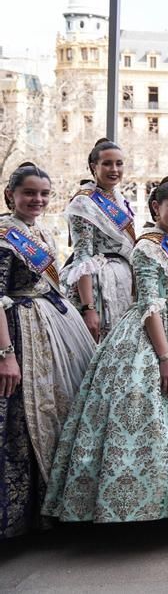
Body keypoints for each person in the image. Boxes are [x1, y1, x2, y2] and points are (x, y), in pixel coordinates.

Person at [44, 181, 168, 522]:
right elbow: (149, 305)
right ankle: (152, 504)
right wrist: (165, 357)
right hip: (159, 336)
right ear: (156, 207)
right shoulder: (146, 247)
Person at [0, 164, 94, 538]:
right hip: (20, 331)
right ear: (11, 196)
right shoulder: (5, 236)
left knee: (60, 411)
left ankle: (55, 507)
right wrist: (6, 354)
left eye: (43, 194)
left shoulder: (40, 231)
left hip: (54, 325)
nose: (37, 200)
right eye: (29, 194)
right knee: (24, 421)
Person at [61, 140, 136, 341]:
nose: (114, 169)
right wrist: (89, 308)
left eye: (119, 164)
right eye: (107, 164)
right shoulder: (83, 202)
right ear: (94, 167)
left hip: (123, 281)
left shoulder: (119, 199)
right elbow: (82, 256)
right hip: (98, 286)